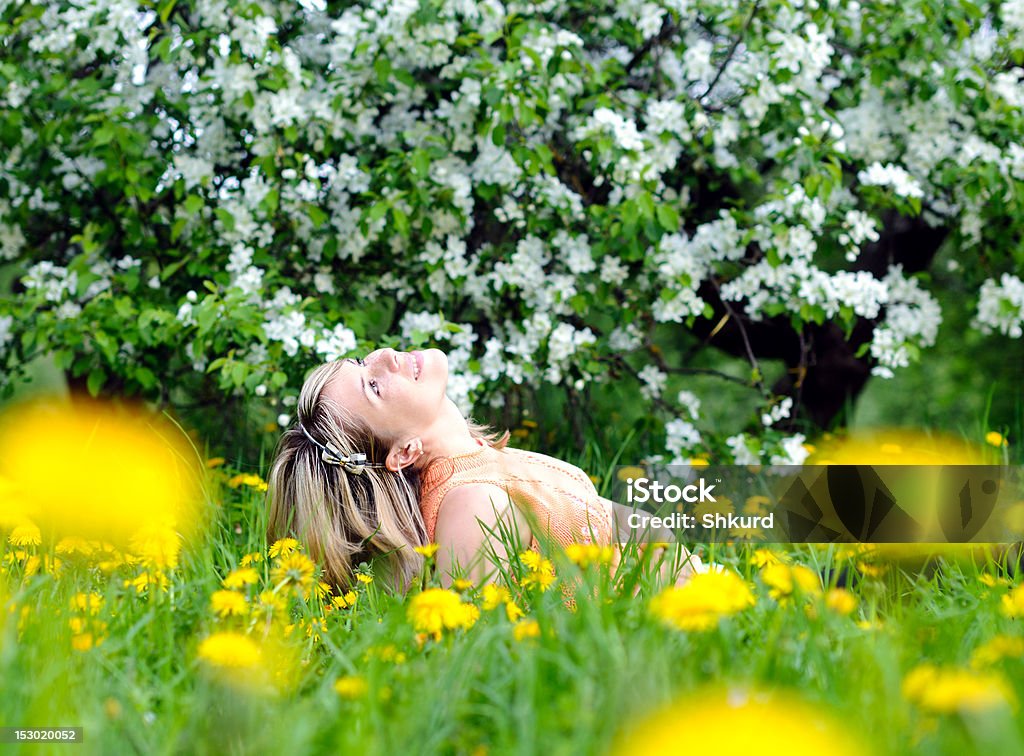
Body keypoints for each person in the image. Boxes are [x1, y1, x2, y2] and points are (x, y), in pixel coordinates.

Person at [266, 347, 706, 595]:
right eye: (373, 386)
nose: (382, 355)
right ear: (402, 452)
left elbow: (623, 526)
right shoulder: (468, 503)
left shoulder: (483, 463)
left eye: (362, 364)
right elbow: (478, 645)